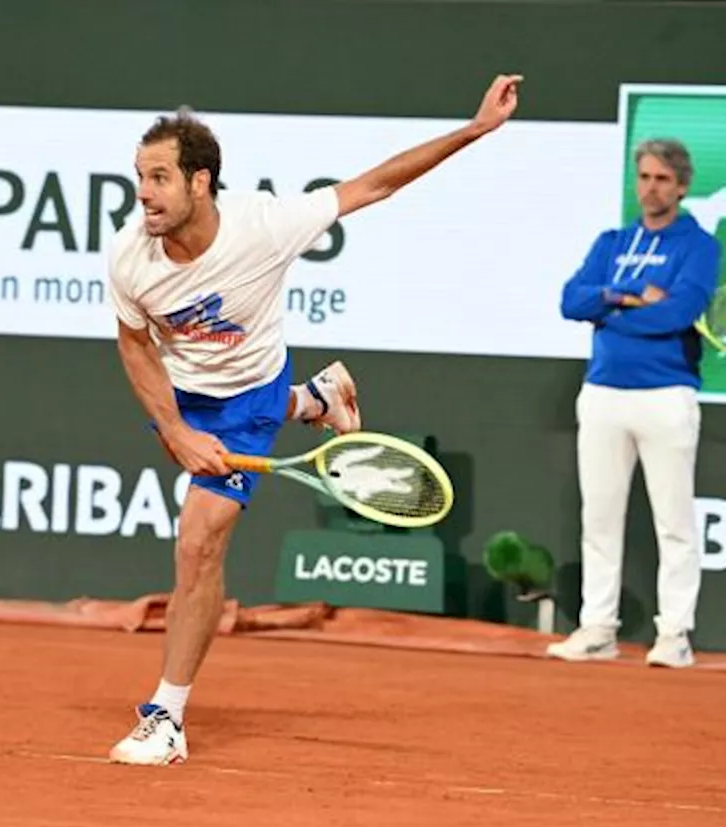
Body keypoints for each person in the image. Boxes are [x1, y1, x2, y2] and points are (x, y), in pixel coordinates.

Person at [106, 74, 524, 764]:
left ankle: (168, 718)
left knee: (197, 547)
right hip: (188, 396)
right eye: (137, 178)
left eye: (157, 177)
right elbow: (133, 345)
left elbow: (376, 185)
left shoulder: (267, 225)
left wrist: (474, 130)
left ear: (200, 182)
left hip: (246, 395)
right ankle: (317, 400)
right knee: (207, 510)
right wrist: (178, 431)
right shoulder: (130, 256)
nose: (143, 193)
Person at [548, 138, 721, 669]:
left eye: (662, 179)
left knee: (673, 522)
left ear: (682, 186)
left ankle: (675, 635)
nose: (651, 188)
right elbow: (570, 300)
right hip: (602, 392)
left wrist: (608, 307)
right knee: (598, 516)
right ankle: (597, 628)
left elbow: (677, 313)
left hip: (667, 395)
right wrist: (623, 296)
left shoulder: (699, 246)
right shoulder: (612, 241)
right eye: (644, 177)